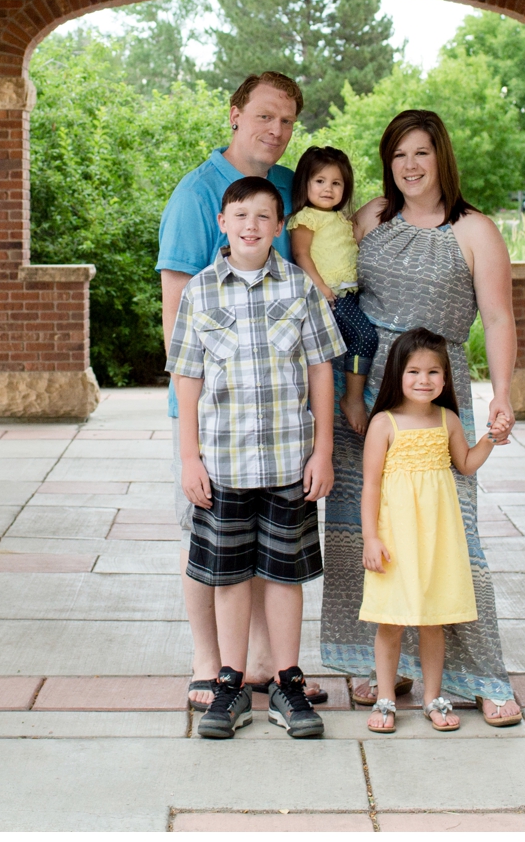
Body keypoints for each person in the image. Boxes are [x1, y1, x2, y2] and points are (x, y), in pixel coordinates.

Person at [320, 108, 525, 726]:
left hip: (438, 389)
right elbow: (334, 283)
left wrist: (504, 393)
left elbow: (497, 318)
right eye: (398, 155)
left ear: (441, 158)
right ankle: (379, 666)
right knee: (370, 525)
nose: (409, 166)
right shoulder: (371, 219)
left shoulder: (475, 230)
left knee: (449, 531)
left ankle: (484, 676)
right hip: (368, 386)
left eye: (420, 153)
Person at [157, 72, 328, 711]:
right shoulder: (197, 194)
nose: (276, 132)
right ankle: (209, 663)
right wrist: (189, 431)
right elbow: (178, 313)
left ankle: (265, 664)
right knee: (210, 541)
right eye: (264, 117)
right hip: (212, 409)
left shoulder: (287, 189)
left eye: (286, 121)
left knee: (271, 545)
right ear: (235, 115)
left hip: (279, 407)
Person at [168, 176, 343, 740]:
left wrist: (323, 450)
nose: (251, 226)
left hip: (289, 461)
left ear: (278, 226)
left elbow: (321, 371)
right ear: (223, 223)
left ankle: (288, 681)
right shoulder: (199, 292)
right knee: (229, 577)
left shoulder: (300, 289)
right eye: (240, 215)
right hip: (223, 464)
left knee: (283, 574)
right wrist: (189, 457)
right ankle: (231, 681)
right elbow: (186, 377)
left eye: (264, 217)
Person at [358, 328, 503, 734]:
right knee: (390, 620)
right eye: (414, 372)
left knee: (433, 620)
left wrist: (491, 436)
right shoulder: (384, 424)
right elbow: (370, 484)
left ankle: (433, 697)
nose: (424, 380)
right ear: (396, 375)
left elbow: (467, 464)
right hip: (395, 540)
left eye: (434, 372)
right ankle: (385, 699)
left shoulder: (448, 420)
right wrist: (371, 537)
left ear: (446, 377)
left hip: (439, 538)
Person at [285, 145, 379, 410]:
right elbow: (301, 254)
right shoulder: (306, 218)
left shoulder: (340, 218)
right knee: (365, 337)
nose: (328, 188)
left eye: (336, 183)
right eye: (320, 181)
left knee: (351, 343)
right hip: (330, 296)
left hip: (348, 293)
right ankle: (352, 397)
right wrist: (322, 287)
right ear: (305, 183)